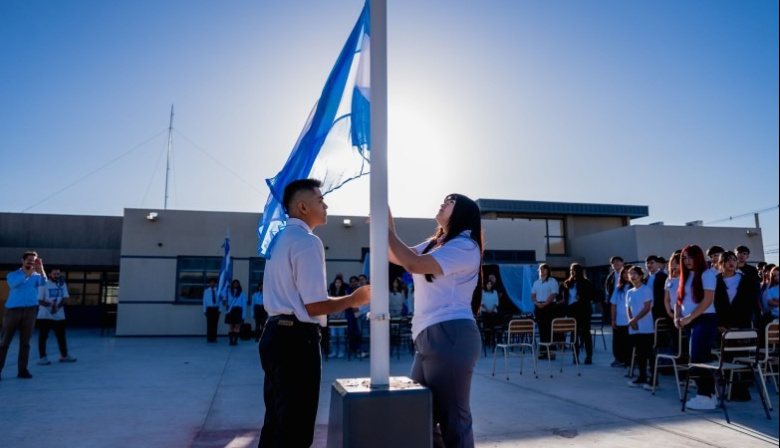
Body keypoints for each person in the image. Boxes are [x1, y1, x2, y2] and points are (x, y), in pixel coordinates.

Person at [258, 178, 370, 448]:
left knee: (276, 421)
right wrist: (353, 299)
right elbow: (314, 305)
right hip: (296, 339)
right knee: (296, 427)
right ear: (303, 207)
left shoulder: (279, 239)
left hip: (275, 334)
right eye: (320, 200)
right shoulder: (307, 242)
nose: (326, 204)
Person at [388, 193, 483, 448]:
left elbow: (412, 264)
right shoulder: (438, 242)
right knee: (420, 416)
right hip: (428, 336)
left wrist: (387, 229)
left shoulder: (465, 246)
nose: (443, 202)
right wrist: (385, 225)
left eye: (451, 201)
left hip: (451, 333)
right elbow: (399, 256)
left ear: (462, 212)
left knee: (454, 422)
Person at [675, 244, 718, 411]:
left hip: (705, 319)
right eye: (684, 258)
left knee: (698, 357)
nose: (686, 261)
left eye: (690, 257)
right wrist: (677, 317)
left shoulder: (707, 275)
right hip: (689, 321)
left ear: (698, 257)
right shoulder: (684, 276)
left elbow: (707, 300)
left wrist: (689, 318)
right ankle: (709, 394)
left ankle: (704, 395)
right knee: (699, 357)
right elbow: (679, 300)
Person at [713, 251, 760, 401]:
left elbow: (751, 303)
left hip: (742, 324)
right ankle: (727, 387)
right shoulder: (716, 281)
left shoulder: (745, 280)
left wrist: (744, 323)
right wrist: (720, 324)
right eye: (727, 261)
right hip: (723, 325)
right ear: (721, 264)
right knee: (726, 356)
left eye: (733, 260)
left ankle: (742, 388)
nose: (731, 263)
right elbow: (715, 304)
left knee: (742, 356)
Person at [0, 251, 47, 380]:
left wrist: (41, 268)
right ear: (23, 260)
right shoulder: (13, 275)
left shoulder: (36, 275)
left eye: (34, 260)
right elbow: (14, 285)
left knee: (25, 343)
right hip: (13, 311)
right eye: (29, 260)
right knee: (4, 342)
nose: (31, 262)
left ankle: (22, 370)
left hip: (30, 311)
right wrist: (29, 273)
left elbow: (44, 283)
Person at [36, 268, 77, 365]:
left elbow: (65, 298)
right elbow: (39, 300)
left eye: (58, 274)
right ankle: (42, 358)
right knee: (43, 337)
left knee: (61, 337)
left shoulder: (62, 284)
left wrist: (57, 308)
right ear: (50, 274)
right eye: (55, 274)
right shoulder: (43, 285)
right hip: (45, 316)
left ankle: (64, 356)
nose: (57, 276)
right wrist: (50, 305)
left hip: (59, 316)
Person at [625, 265, 654, 388]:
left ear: (641, 276)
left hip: (646, 327)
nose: (632, 276)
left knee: (648, 353)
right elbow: (628, 308)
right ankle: (642, 377)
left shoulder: (646, 289)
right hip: (634, 327)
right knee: (639, 354)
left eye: (635, 273)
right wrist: (631, 321)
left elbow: (647, 307)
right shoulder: (629, 292)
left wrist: (636, 320)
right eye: (630, 274)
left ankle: (653, 379)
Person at [562, 263, 597, 365]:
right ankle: (575, 356)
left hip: (583, 311)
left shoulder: (586, 283)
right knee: (574, 335)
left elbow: (591, 296)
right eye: (570, 270)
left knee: (586, 334)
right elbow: (565, 299)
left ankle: (588, 356)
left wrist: (580, 298)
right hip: (572, 311)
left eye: (574, 270)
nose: (572, 272)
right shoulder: (568, 283)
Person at [531, 263, 560, 360]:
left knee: (550, 329)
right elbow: (533, 294)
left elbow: (554, 293)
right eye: (540, 269)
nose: (542, 271)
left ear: (548, 270)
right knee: (542, 330)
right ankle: (543, 352)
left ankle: (551, 352)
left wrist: (546, 303)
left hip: (550, 307)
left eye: (544, 269)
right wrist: (536, 303)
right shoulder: (536, 282)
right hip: (539, 306)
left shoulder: (552, 281)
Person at [611, 265, 633, 370]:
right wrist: (613, 319)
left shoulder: (636, 288)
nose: (626, 275)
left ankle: (631, 361)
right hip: (620, 320)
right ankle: (621, 359)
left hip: (633, 320)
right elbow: (613, 305)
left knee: (630, 343)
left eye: (628, 273)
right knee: (620, 342)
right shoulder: (618, 288)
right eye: (623, 273)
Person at [645, 255, 669, 322]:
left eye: (652, 263)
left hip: (660, 308)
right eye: (647, 263)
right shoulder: (645, 279)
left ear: (657, 264)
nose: (649, 265)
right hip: (647, 309)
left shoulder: (663, 277)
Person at [223, 279, 246, 346]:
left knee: (237, 326)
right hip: (231, 310)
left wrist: (243, 315)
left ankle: (235, 341)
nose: (235, 285)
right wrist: (225, 287)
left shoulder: (242, 293)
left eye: (237, 283)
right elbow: (222, 294)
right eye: (234, 283)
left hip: (238, 310)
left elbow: (244, 304)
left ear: (239, 285)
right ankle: (230, 341)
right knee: (230, 326)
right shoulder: (229, 292)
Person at [202, 278, 221, 343]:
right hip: (209, 309)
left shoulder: (218, 291)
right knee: (209, 324)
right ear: (209, 284)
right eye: (211, 282)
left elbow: (220, 301)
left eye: (214, 282)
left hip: (216, 309)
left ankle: (214, 338)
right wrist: (204, 310)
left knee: (215, 324)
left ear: (215, 284)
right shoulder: (206, 291)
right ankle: (209, 338)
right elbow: (204, 301)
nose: (212, 284)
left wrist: (220, 309)